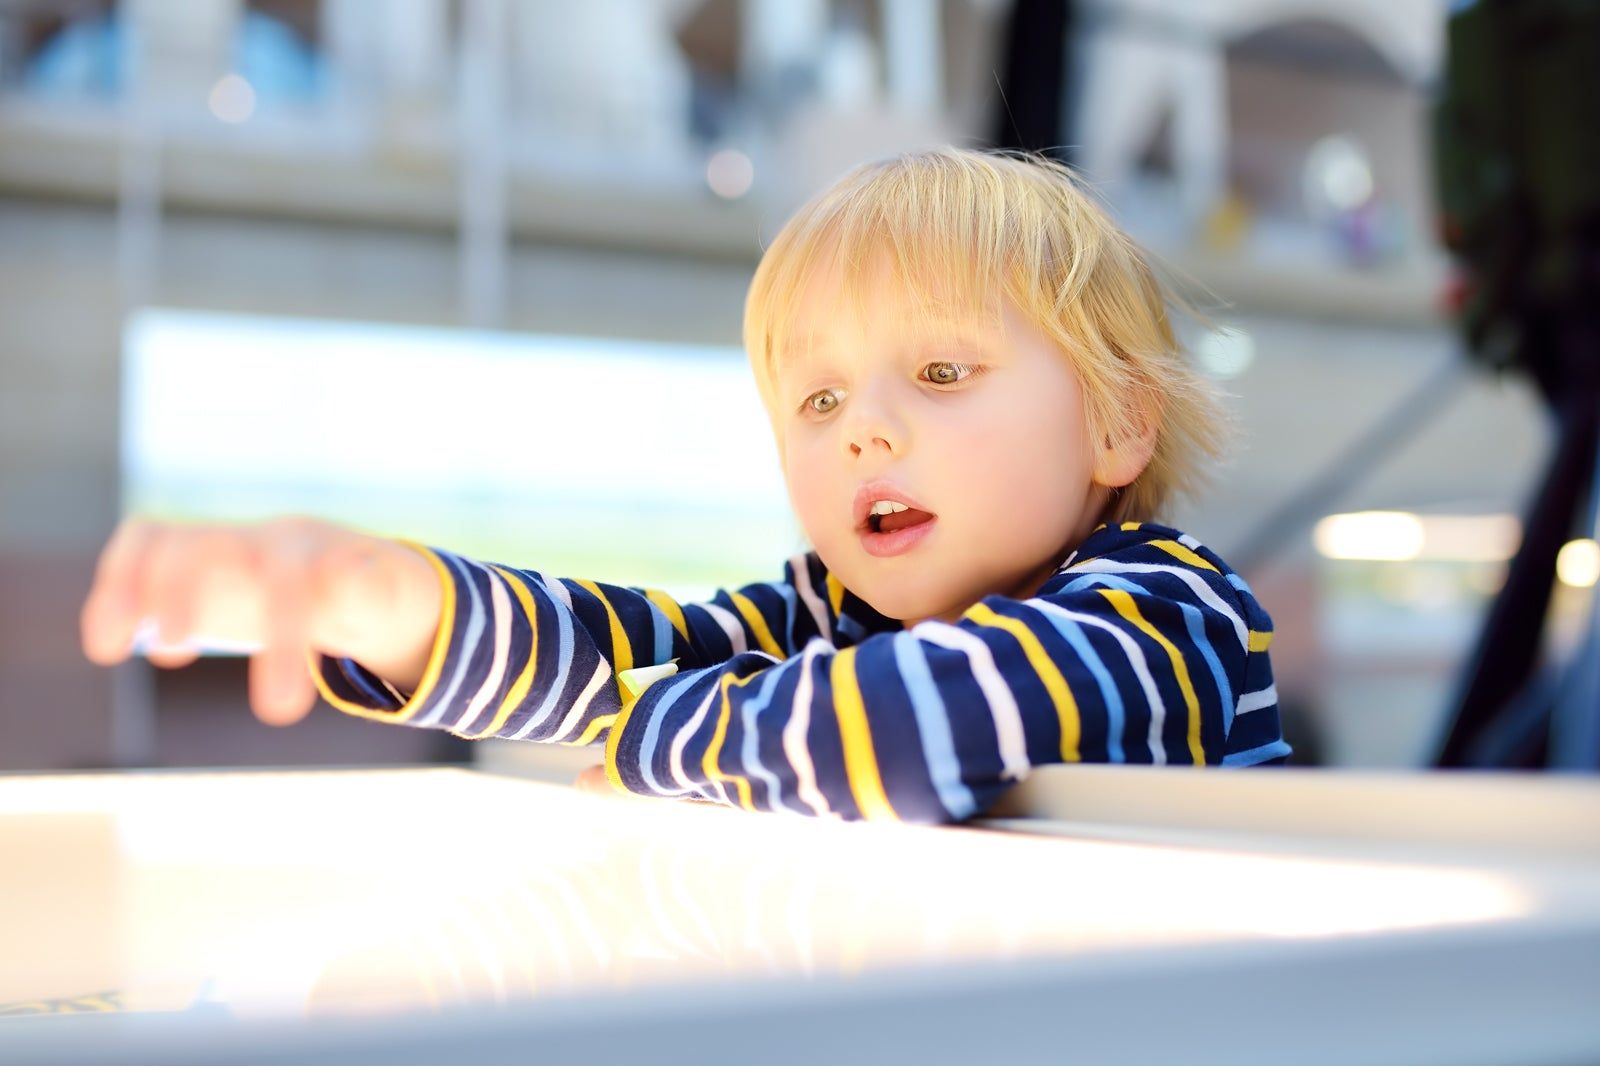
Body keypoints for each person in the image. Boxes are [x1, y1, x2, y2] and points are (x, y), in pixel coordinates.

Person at [79, 148, 1290, 823]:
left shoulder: (1165, 607)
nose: (864, 430)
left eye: (938, 369)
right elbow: (632, 649)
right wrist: (392, 605)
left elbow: (935, 722)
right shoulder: (832, 612)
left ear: (1121, 423)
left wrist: (659, 729)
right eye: (817, 401)